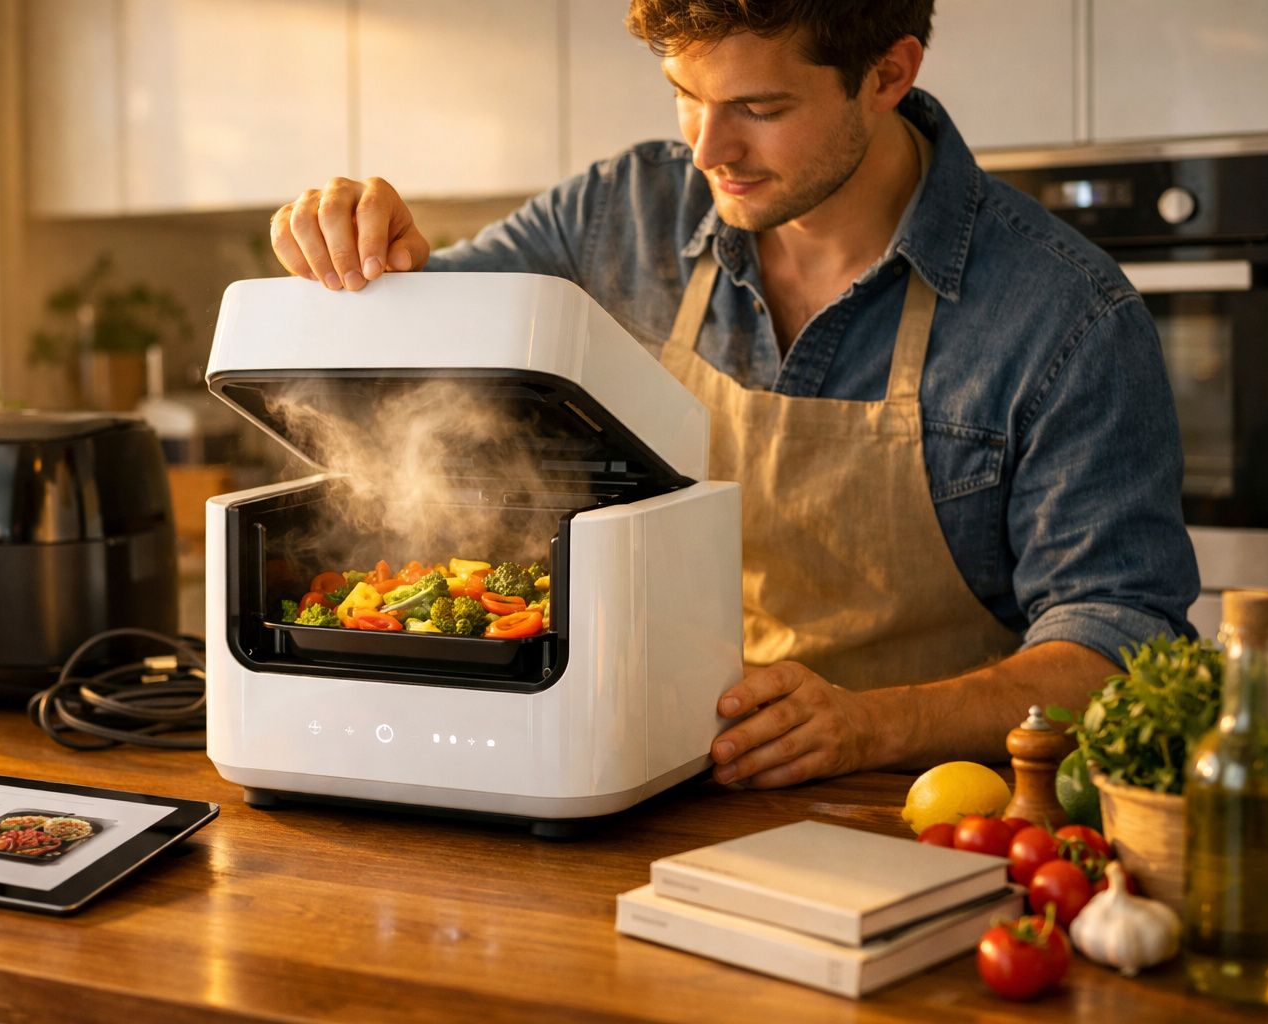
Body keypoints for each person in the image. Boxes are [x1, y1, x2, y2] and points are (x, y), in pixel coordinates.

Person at [267, 0, 1199, 789]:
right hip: (653, 782)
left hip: (928, 815)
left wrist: (872, 726)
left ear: (888, 73)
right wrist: (366, 250)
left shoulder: (1067, 315)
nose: (711, 150)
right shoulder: (617, 214)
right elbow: (415, 350)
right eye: (686, 96)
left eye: (759, 105)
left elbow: (1119, 647)